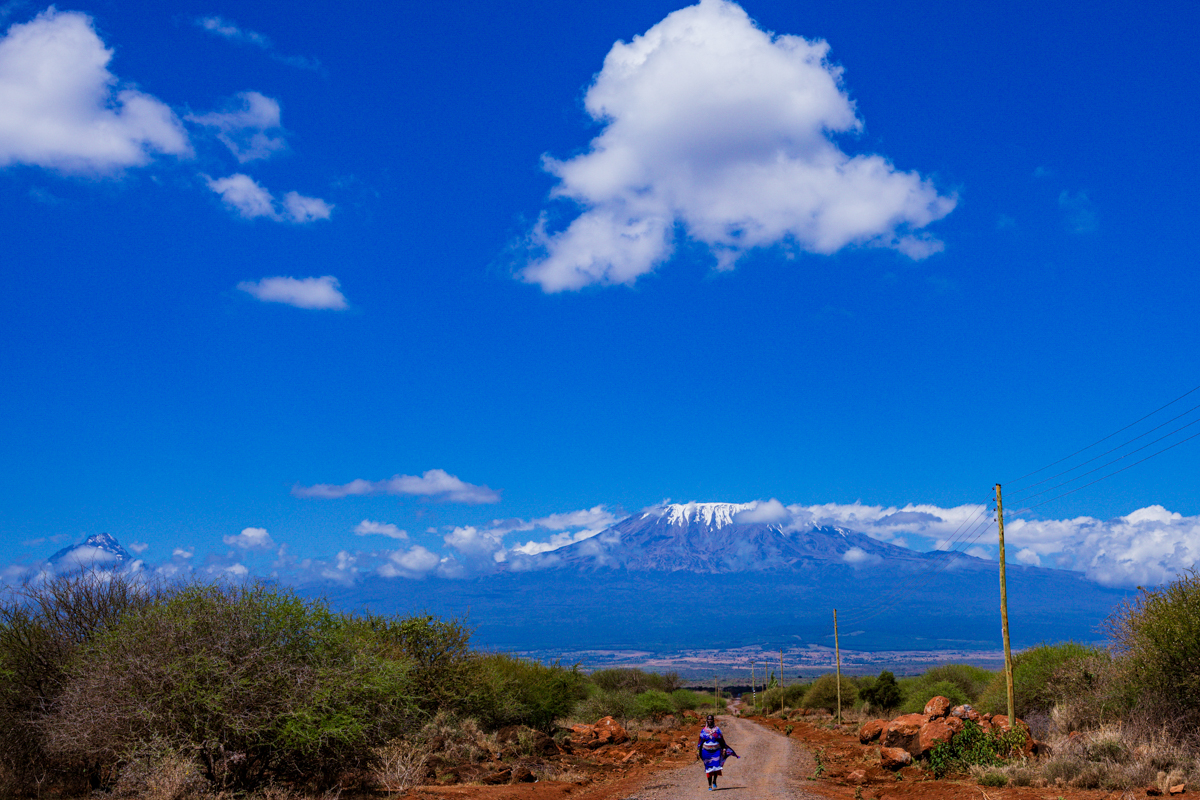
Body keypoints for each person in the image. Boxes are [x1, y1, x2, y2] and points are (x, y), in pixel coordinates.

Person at [697, 714, 737, 790]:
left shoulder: (717, 730)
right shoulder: (703, 731)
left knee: (716, 767)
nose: (710, 721)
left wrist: (724, 749)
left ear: (713, 720)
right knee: (708, 768)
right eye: (708, 719)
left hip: (716, 751)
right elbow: (700, 742)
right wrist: (697, 751)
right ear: (706, 720)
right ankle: (709, 785)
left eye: (711, 719)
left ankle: (714, 781)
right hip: (706, 752)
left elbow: (722, 741)